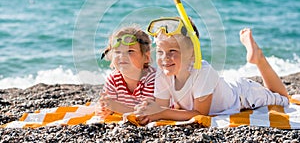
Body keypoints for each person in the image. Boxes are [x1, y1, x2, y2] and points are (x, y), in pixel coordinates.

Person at [134, 17, 289, 124]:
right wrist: (150, 111)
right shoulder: (163, 73)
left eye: (173, 51)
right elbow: (163, 109)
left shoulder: (203, 72)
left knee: (283, 98)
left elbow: (200, 114)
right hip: (221, 86)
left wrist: (161, 112)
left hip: (242, 95)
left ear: (193, 54)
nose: (164, 58)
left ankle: (259, 57)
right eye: (160, 52)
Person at [96, 26, 156, 117]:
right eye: (118, 52)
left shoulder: (152, 79)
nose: (122, 56)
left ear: (146, 57)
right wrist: (105, 108)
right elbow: (109, 105)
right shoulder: (113, 79)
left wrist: (117, 108)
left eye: (130, 51)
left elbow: (147, 113)